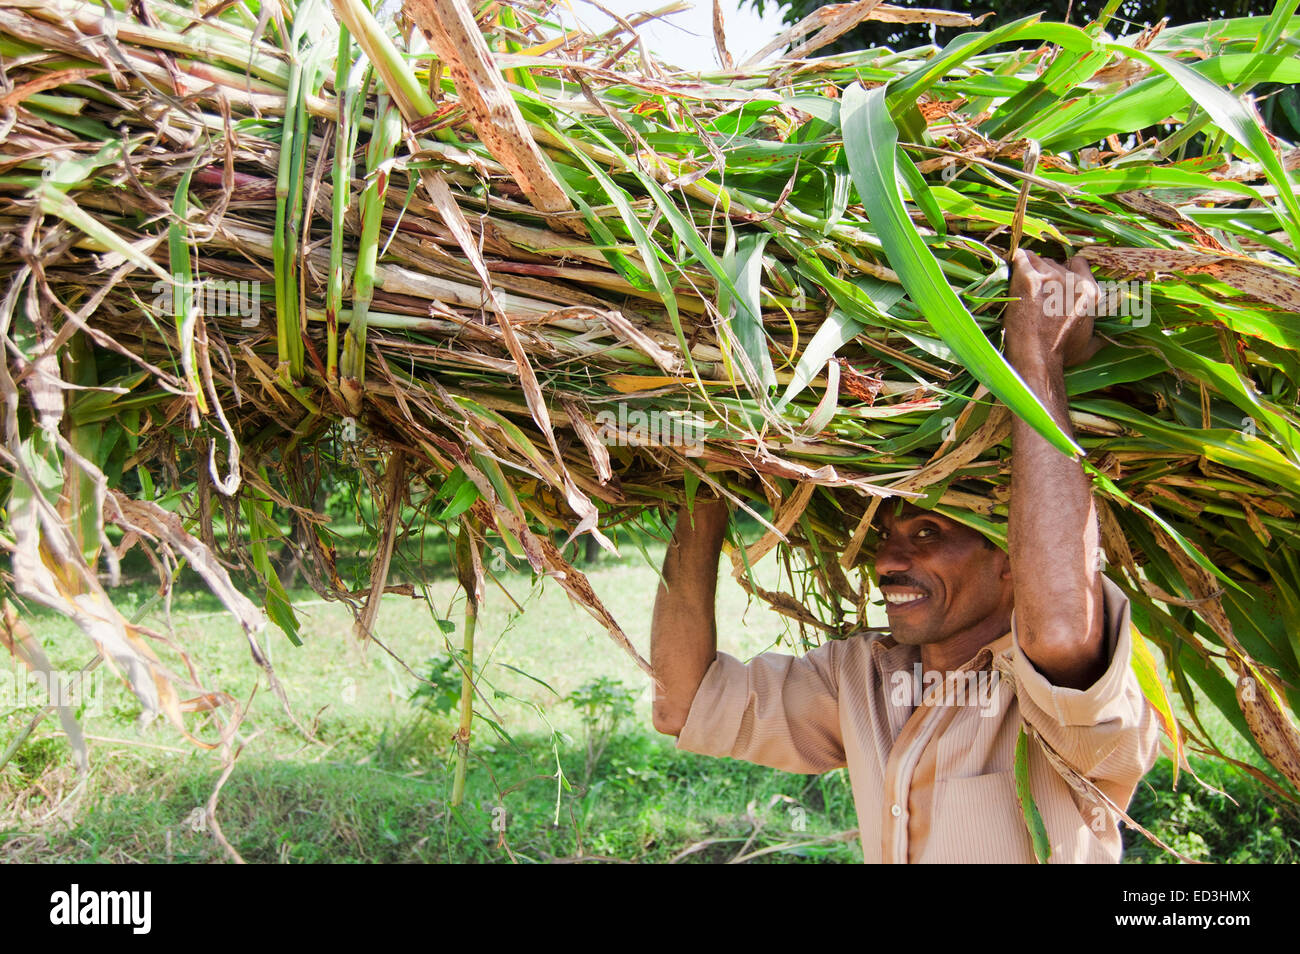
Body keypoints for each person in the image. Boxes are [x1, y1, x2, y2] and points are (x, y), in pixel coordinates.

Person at [649, 251, 1162, 863]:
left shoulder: (1062, 698)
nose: (886, 562)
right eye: (886, 535)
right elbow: (685, 703)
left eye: (926, 534)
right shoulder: (862, 679)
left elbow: (1056, 627)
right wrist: (703, 483)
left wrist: (1035, 360)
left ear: (1012, 560)